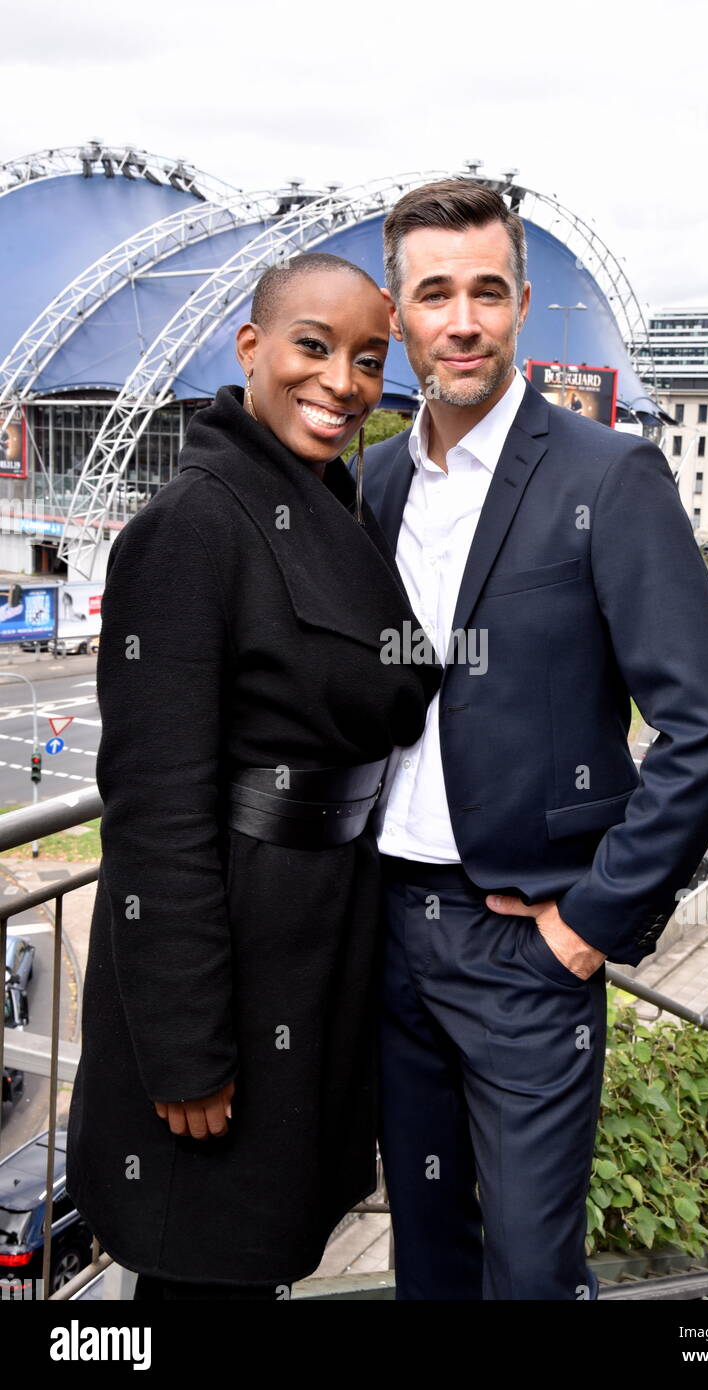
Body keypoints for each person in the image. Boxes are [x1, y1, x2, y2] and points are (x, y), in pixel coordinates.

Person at [354, 180, 708, 1300]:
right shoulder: (375, 480)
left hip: (524, 951)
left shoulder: (607, 473)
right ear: (401, 316)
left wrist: (590, 925)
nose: (465, 319)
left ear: (524, 304)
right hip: (389, 933)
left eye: (488, 290)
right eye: (436, 293)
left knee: (532, 1275)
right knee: (428, 1260)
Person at [65, 251, 440, 1301]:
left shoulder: (332, 504)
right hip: (230, 964)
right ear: (252, 349)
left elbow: (397, 687)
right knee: (203, 1262)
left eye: (368, 360)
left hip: (318, 946)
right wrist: (186, 1048)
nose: (342, 382)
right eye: (313, 347)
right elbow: (156, 808)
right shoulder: (193, 523)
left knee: (257, 1258)